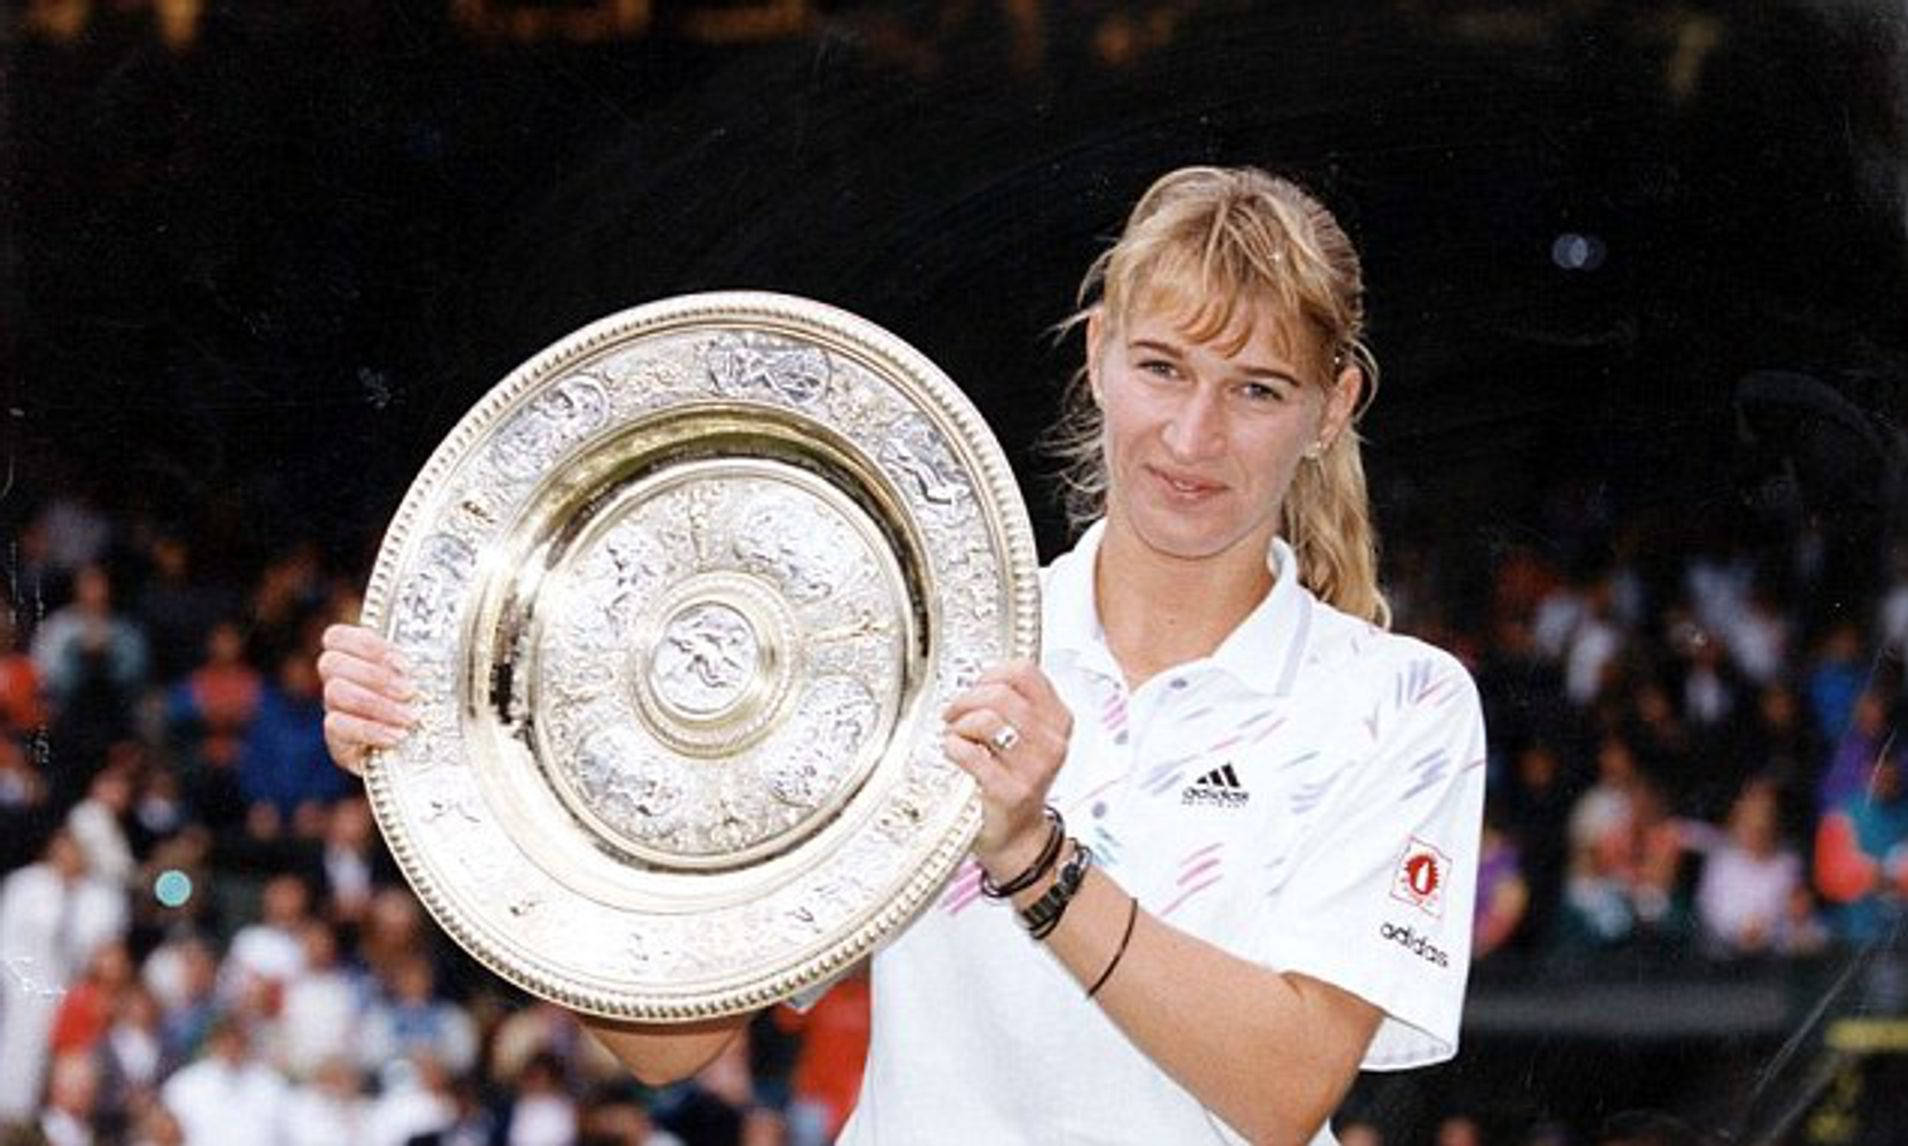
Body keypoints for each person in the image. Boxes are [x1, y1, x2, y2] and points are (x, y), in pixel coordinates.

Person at [317, 165, 1488, 1144]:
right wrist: (454, 771)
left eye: (1258, 389)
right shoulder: (928, 649)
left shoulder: (1399, 705)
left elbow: (1283, 1091)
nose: (1193, 436)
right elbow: (668, 1040)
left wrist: (1032, 857)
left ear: (1332, 407)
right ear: (1096, 354)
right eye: (1163, 367)